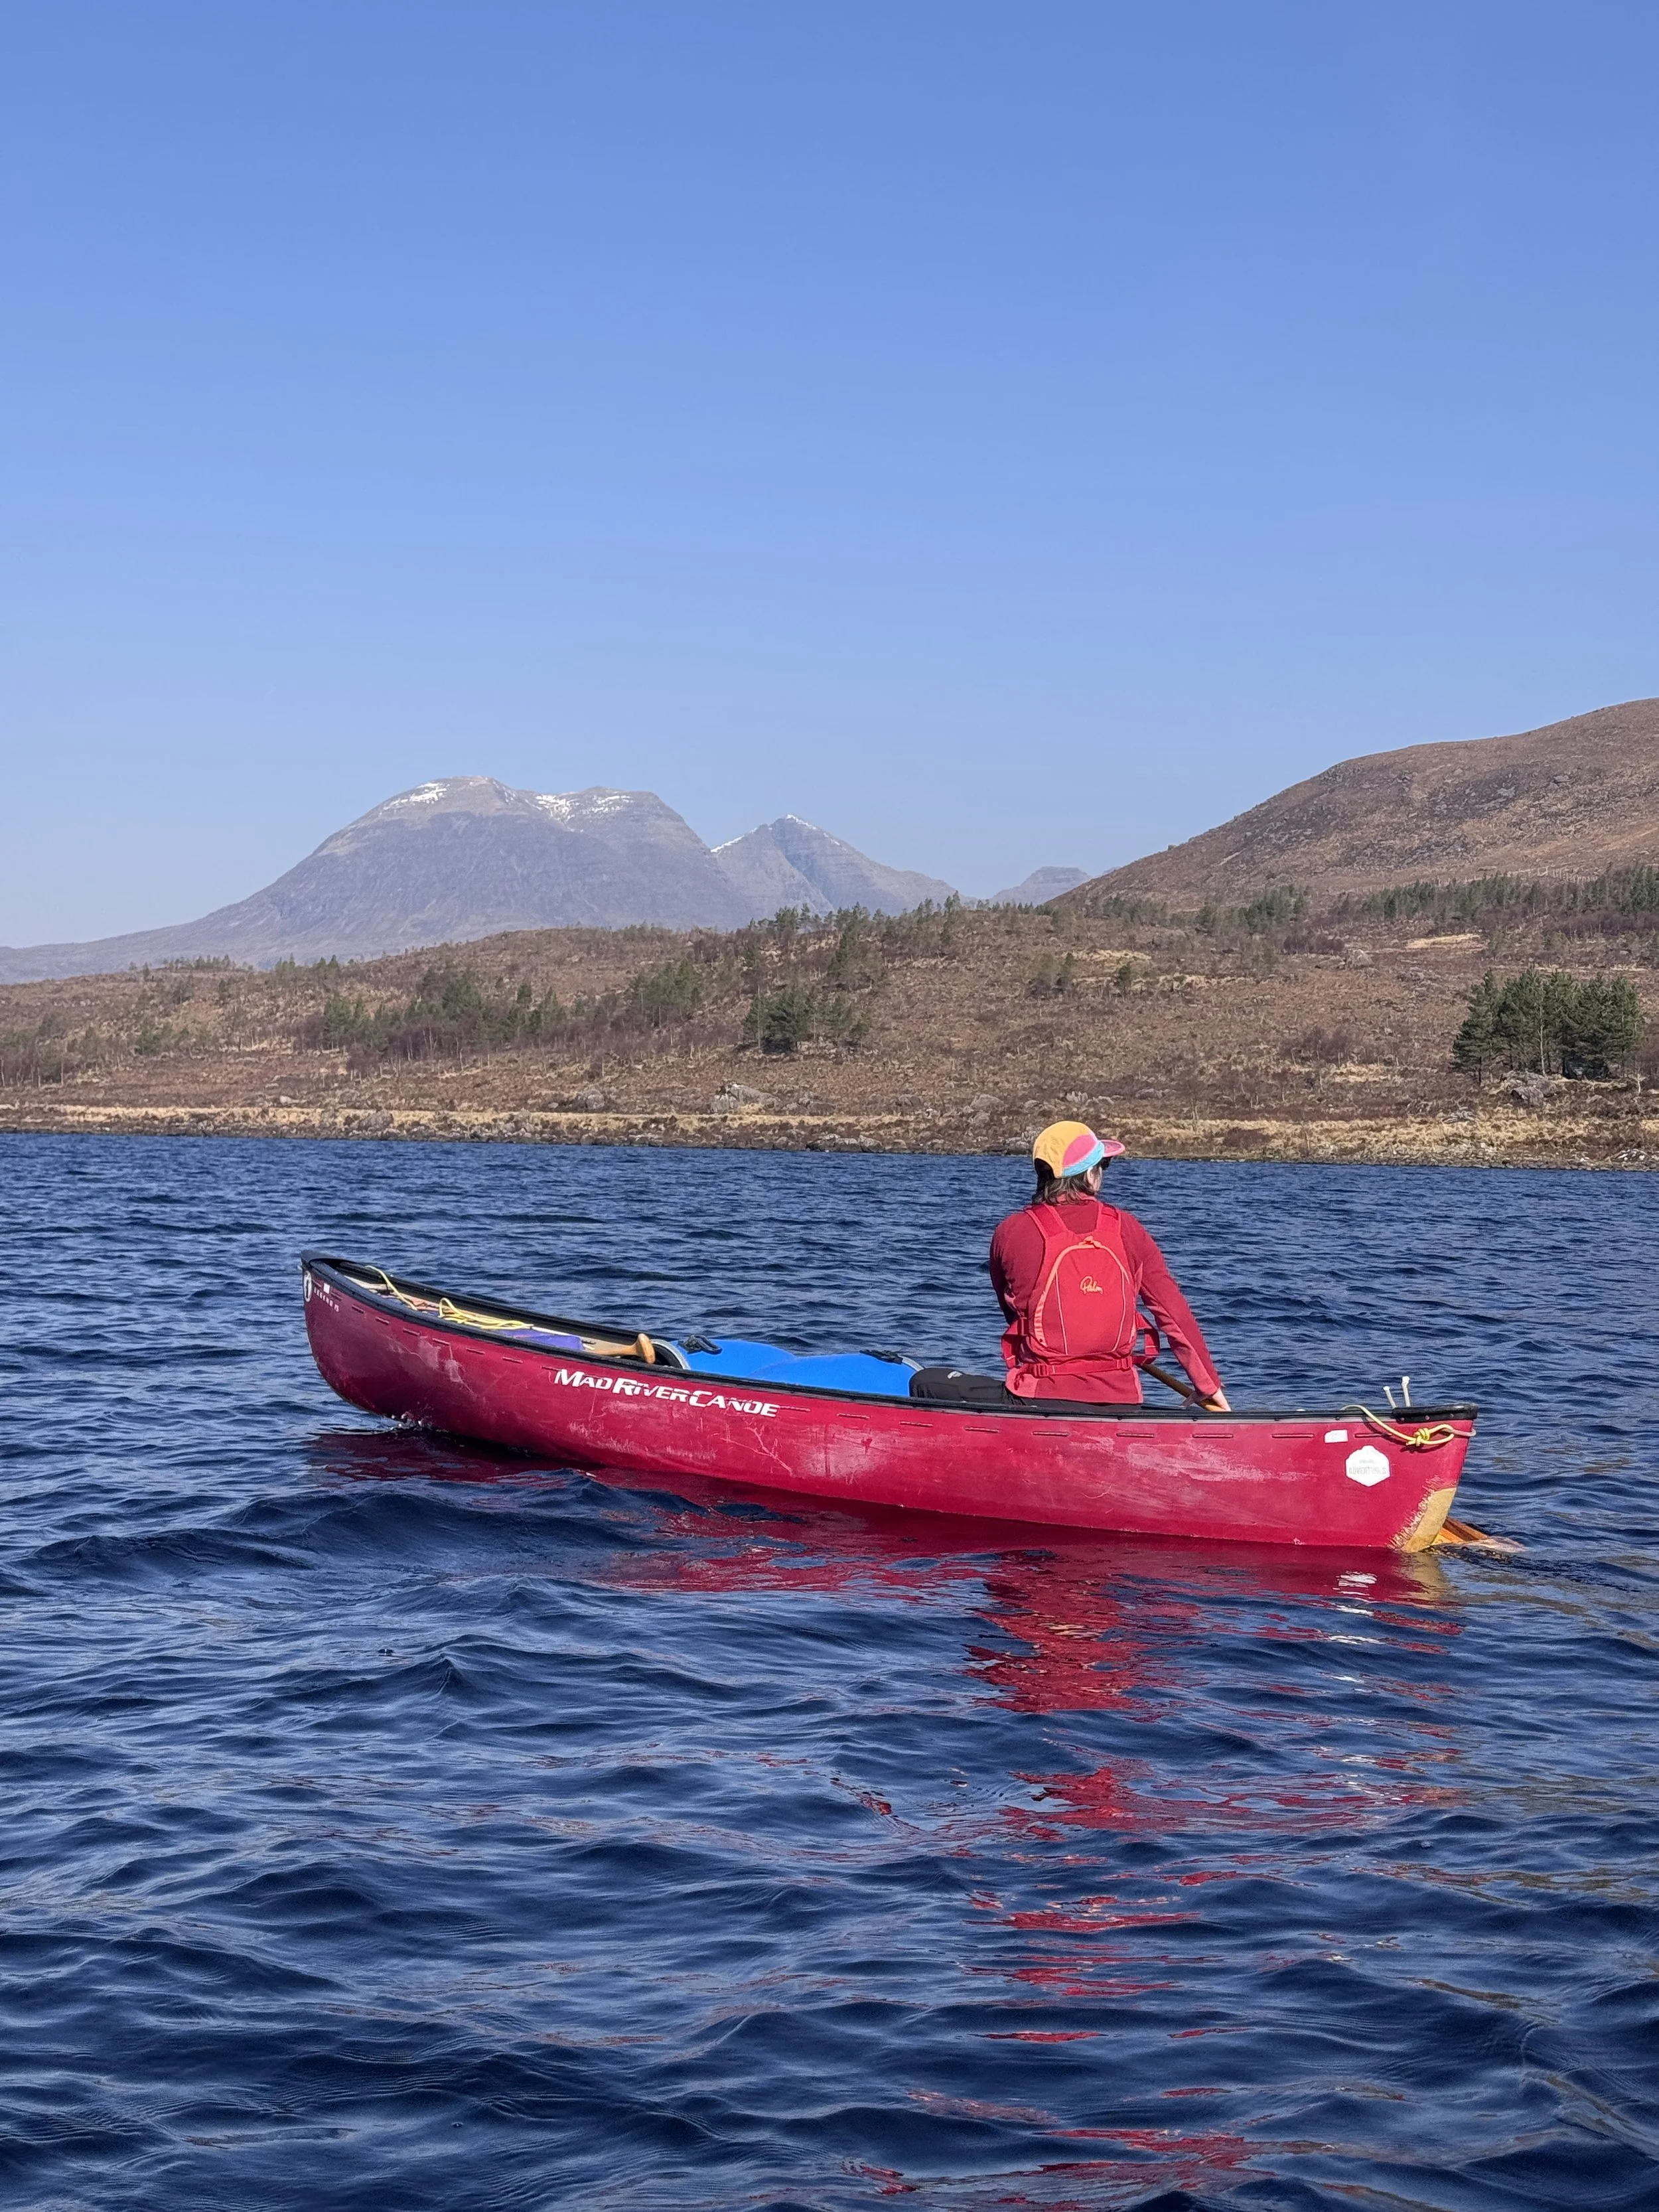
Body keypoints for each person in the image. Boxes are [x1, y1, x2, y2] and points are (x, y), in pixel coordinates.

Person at [912, 1121, 1229, 1411]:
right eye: (1103, 1165)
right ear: (1090, 1175)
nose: (1103, 1173)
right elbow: (1173, 1313)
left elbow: (1015, 1313)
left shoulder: (1010, 1232)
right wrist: (1208, 1385)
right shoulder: (1129, 1229)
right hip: (1123, 1401)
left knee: (924, 1382)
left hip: (1039, 1398)